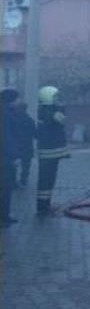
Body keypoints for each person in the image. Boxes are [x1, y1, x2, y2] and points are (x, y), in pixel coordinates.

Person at [36, 86, 71, 216]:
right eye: (55, 97)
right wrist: (60, 106)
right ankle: (43, 206)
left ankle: (45, 203)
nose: (58, 99)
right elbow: (62, 119)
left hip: (49, 152)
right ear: (48, 98)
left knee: (48, 179)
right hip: (49, 153)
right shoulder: (49, 111)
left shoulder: (43, 110)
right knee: (46, 180)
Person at [1, 89, 20, 228]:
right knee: (5, 187)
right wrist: (14, 156)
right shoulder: (5, 114)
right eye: (17, 99)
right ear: (11, 100)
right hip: (4, 158)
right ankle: (4, 217)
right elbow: (6, 137)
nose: (18, 102)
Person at [13, 102, 36, 187]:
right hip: (27, 146)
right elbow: (35, 134)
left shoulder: (13, 119)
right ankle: (23, 180)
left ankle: (14, 182)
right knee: (26, 165)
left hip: (16, 146)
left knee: (14, 164)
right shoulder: (30, 120)